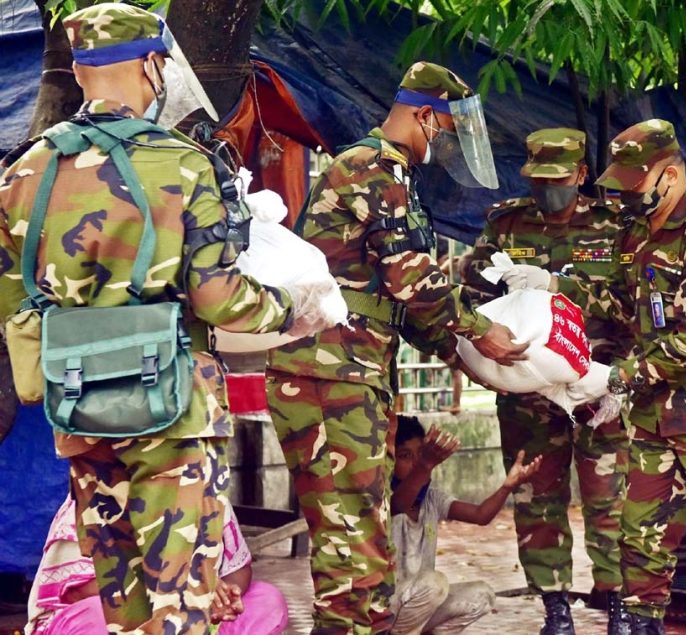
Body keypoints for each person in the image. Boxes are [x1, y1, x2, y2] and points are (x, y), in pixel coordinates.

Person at [0, 4, 316, 632]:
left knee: (125, 602)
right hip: (170, 407)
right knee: (184, 601)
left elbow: (17, 304)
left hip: (80, 407)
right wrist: (290, 307)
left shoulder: (25, 173)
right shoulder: (182, 164)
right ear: (152, 65)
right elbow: (220, 299)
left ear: (81, 73)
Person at [265, 61, 528, 634]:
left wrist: (465, 358)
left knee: (357, 539)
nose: (448, 144)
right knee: (353, 541)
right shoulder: (373, 169)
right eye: (447, 130)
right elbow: (414, 281)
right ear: (426, 116)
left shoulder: (390, 174)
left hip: (345, 373)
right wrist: (480, 332)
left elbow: (395, 302)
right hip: (328, 376)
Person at [501, 119, 686, 635]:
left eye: (635, 183)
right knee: (640, 535)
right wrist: (556, 284)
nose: (626, 194)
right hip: (655, 414)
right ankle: (643, 623)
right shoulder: (638, 233)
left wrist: (617, 378)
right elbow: (622, 300)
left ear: (670, 176)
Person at [461, 128, 629, 634]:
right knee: (537, 495)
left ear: (581, 175)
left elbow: (633, 305)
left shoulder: (615, 228)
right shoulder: (506, 224)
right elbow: (470, 294)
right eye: (538, 181)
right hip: (528, 390)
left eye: (558, 181)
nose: (547, 191)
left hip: (597, 386)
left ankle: (618, 599)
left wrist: (560, 286)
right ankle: (554, 604)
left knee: (610, 498)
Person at [26, 494, 288, 634]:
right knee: (96, 616)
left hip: (188, 619)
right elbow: (79, 591)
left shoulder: (207, 490)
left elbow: (238, 568)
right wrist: (183, 587)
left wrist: (225, 597)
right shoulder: (98, 493)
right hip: (122, 620)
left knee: (265, 600)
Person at [389, 415, 541, 634]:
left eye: (420, 455)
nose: (415, 463)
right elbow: (400, 503)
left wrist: (507, 486)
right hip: (388, 609)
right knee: (435, 583)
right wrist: (425, 464)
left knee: (482, 595)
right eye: (405, 456)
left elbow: (481, 515)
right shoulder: (384, 499)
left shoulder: (432, 499)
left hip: (423, 601)